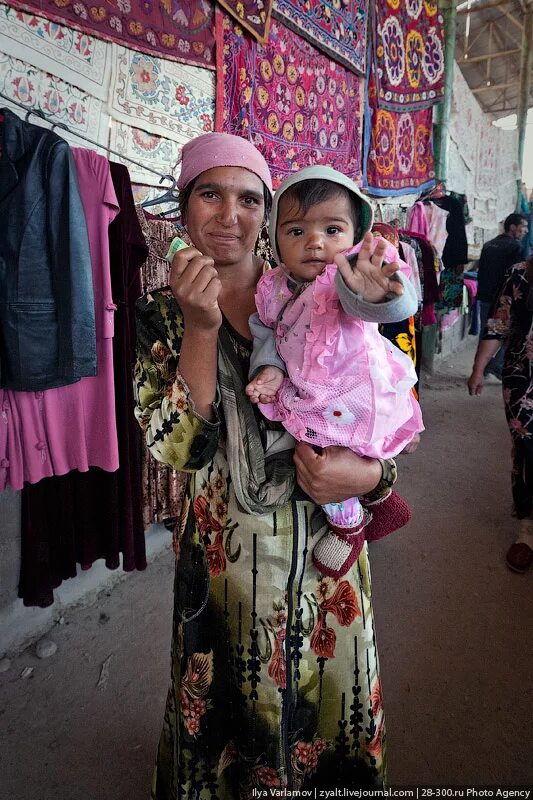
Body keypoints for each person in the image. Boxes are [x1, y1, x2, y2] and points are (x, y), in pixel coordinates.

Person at [134, 133, 400, 797]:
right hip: (225, 581)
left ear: (269, 212)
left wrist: (367, 480)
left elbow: (381, 416)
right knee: (230, 724)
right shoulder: (159, 315)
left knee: (326, 716)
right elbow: (177, 449)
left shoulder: (327, 296)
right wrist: (200, 329)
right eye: (209, 194)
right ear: (183, 207)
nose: (229, 214)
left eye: (248, 198)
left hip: (325, 565)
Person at [245, 166, 424, 579]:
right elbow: (266, 332)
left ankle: (348, 527)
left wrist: (380, 293)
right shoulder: (273, 288)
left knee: (334, 458)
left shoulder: (347, 277)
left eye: (332, 229)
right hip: (310, 394)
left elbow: (387, 304)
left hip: (355, 392)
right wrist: (269, 368)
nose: (315, 242)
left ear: (354, 235)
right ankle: (376, 506)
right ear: (274, 239)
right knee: (314, 458)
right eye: (295, 231)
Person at [468, 254, 533, 574]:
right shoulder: (520, 274)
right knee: (527, 449)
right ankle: (526, 529)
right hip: (524, 379)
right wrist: (478, 369)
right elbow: (498, 324)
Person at [476, 213, 528, 380]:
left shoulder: (489, 245)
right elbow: (518, 280)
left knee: (487, 333)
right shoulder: (516, 248)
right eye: (523, 226)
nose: (526, 230)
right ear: (512, 227)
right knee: (508, 334)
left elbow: (481, 273)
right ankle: (494, 365)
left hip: (485, 297)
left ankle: (481, 368)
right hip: (504, 300)